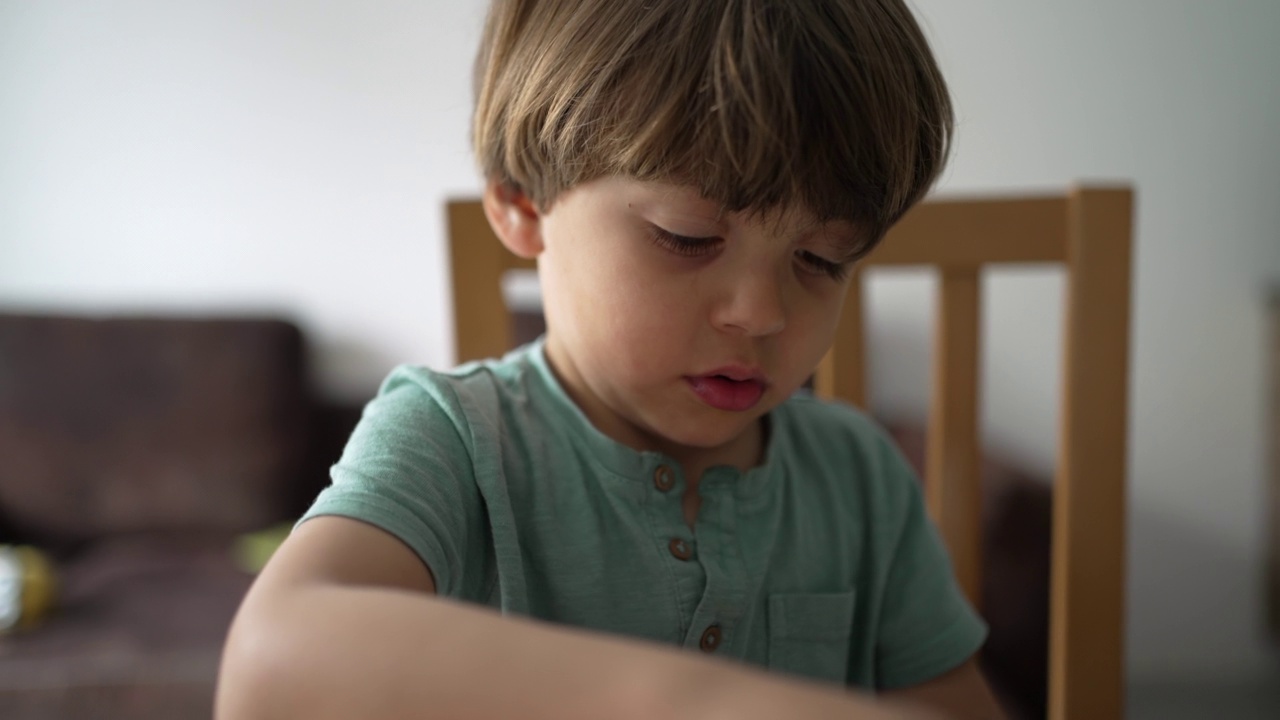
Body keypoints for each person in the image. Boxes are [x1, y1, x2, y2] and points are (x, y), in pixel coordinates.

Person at [216, 1, 1005, 718]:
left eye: (822, 259)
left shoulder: (859, 477)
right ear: (524, 207)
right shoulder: (450, 440)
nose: (761, 313)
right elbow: (270, 660)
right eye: (688, 238)